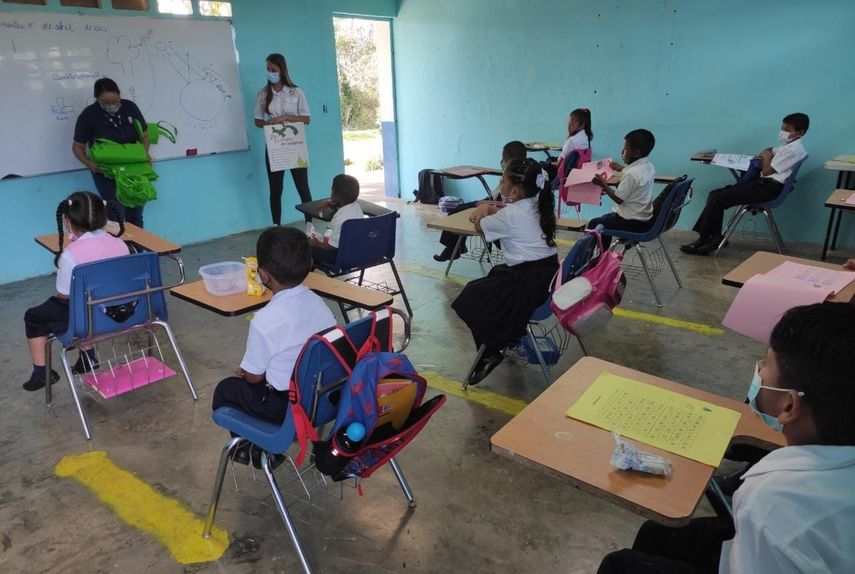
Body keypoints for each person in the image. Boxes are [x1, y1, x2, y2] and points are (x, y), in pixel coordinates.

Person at [597, 302, 855, 574]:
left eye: (766, 363)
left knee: (619, 566)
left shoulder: (771, 506)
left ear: (789, 407)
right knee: (657, 534)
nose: (759, 370)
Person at [211, 227, 336, 466]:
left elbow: (254, 379)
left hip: (286, 408)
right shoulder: (318, 303)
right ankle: (256, 449)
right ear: (309, 264)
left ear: (264, 276)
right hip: (322, 399)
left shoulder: (265, 321)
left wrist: (246, 372)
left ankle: (256, 449)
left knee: (226, 390)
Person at [451, 158, 559, 385]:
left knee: (470, 297)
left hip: (528, 283)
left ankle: (490, 351)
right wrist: (490, 208)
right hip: (546, 274)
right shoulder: (537, 203)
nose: (500, 185)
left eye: (502, 181)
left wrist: (483, 211)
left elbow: (479, 226)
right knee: (493, 277)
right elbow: (506, 215)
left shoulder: (509, 216)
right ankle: (509, 338)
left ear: (516, 190)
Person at [22, 191, 129, 391]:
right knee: (85, 302)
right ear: (103, 217)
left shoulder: (71, 255)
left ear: (67, 222)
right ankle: (87, 358)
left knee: (36, 316)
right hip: (122, 313)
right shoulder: (121, 244)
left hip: (89, 320)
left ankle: (41, 372)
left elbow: (64, 295)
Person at [681, 113, 809, 256]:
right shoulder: (787, 146)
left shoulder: (795, 151)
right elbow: (768, 150)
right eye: (782, 128)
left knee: (717, 199)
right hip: (763, 184)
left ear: (800, 132)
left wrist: (766, 157)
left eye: (787, 130)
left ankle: (706, 239)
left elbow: (766, 170)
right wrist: (767, 155)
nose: (783, 132)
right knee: (715, 194)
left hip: (768, 188)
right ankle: (712, 237)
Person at [72, 78, 150, 227]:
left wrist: (143, 156)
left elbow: (145, 135)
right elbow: (77, 147)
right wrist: (90, 164)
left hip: (134, 171)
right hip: (107, 173)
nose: (111, 105)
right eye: (105, 102)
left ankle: (139, 249)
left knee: (136, 212)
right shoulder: (88, 115)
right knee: (115, 214)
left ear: (120, 95)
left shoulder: (130, 107)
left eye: (114, 100)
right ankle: (118, 248)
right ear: (97, 98)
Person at [433, 140, 527, 262]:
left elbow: (506, 203)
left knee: (464, 216)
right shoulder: (513, 172)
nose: (502, 162)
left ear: (512, 159)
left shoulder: (518, 178)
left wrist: (489, 206)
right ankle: (453, 248)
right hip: (494, 201)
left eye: (504, 159)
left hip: (499, 205)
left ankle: (454, 249)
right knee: (455, 211)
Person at [254, 53, 313, 229]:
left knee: (302, 186)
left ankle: (309, 225)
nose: (270, 73)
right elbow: (257, 120)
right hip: (275, 146)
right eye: (268, 70)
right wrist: (269, 124)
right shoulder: (264, 94)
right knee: (276, 189)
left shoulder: (297, 91)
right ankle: (276, 226)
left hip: (295, 145)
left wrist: (286, 117)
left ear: (282, 70)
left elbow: (306, 119)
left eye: (273, 70)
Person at [587, 129, 657, 247]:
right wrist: (621, 168)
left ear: (636, 153)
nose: (622, 152)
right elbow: (635, 177)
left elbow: (619, 199)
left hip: (628, 221)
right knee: (604, 220)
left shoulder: (631, 174)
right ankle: (602, 254)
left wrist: (603, 184)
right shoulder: (648, 166)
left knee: (594, 224)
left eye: (625, 149)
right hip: (642, 219)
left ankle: (597, 258)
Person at [308, 174, 364, 267]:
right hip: (357, 251)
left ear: (336, 196)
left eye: (332, 190)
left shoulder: (340, 219)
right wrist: (330, 203)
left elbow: (332, 246)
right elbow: (344, 205)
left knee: (305, 248)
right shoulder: (356, 206)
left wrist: (317, 243)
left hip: (340, 257)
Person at [551, 107, 594, 188]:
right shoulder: (585, 137)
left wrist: (549, 164)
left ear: (582, 125)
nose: (568, 127)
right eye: (568, 124)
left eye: (571, 125)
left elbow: (558, 164)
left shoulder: (572, 140)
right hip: (577, 171)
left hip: (564, 174)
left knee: (543, 164)